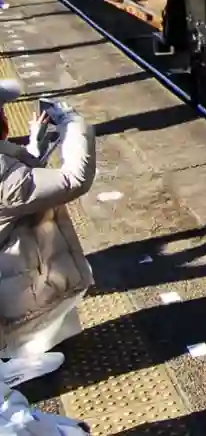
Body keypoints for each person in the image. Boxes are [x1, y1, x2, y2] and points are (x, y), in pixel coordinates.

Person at [0, 87, 97, 367]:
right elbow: (74, 180)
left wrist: (33, 149)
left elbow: (19, 188)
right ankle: (15, 359)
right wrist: (72, 122)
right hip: (14, 299)